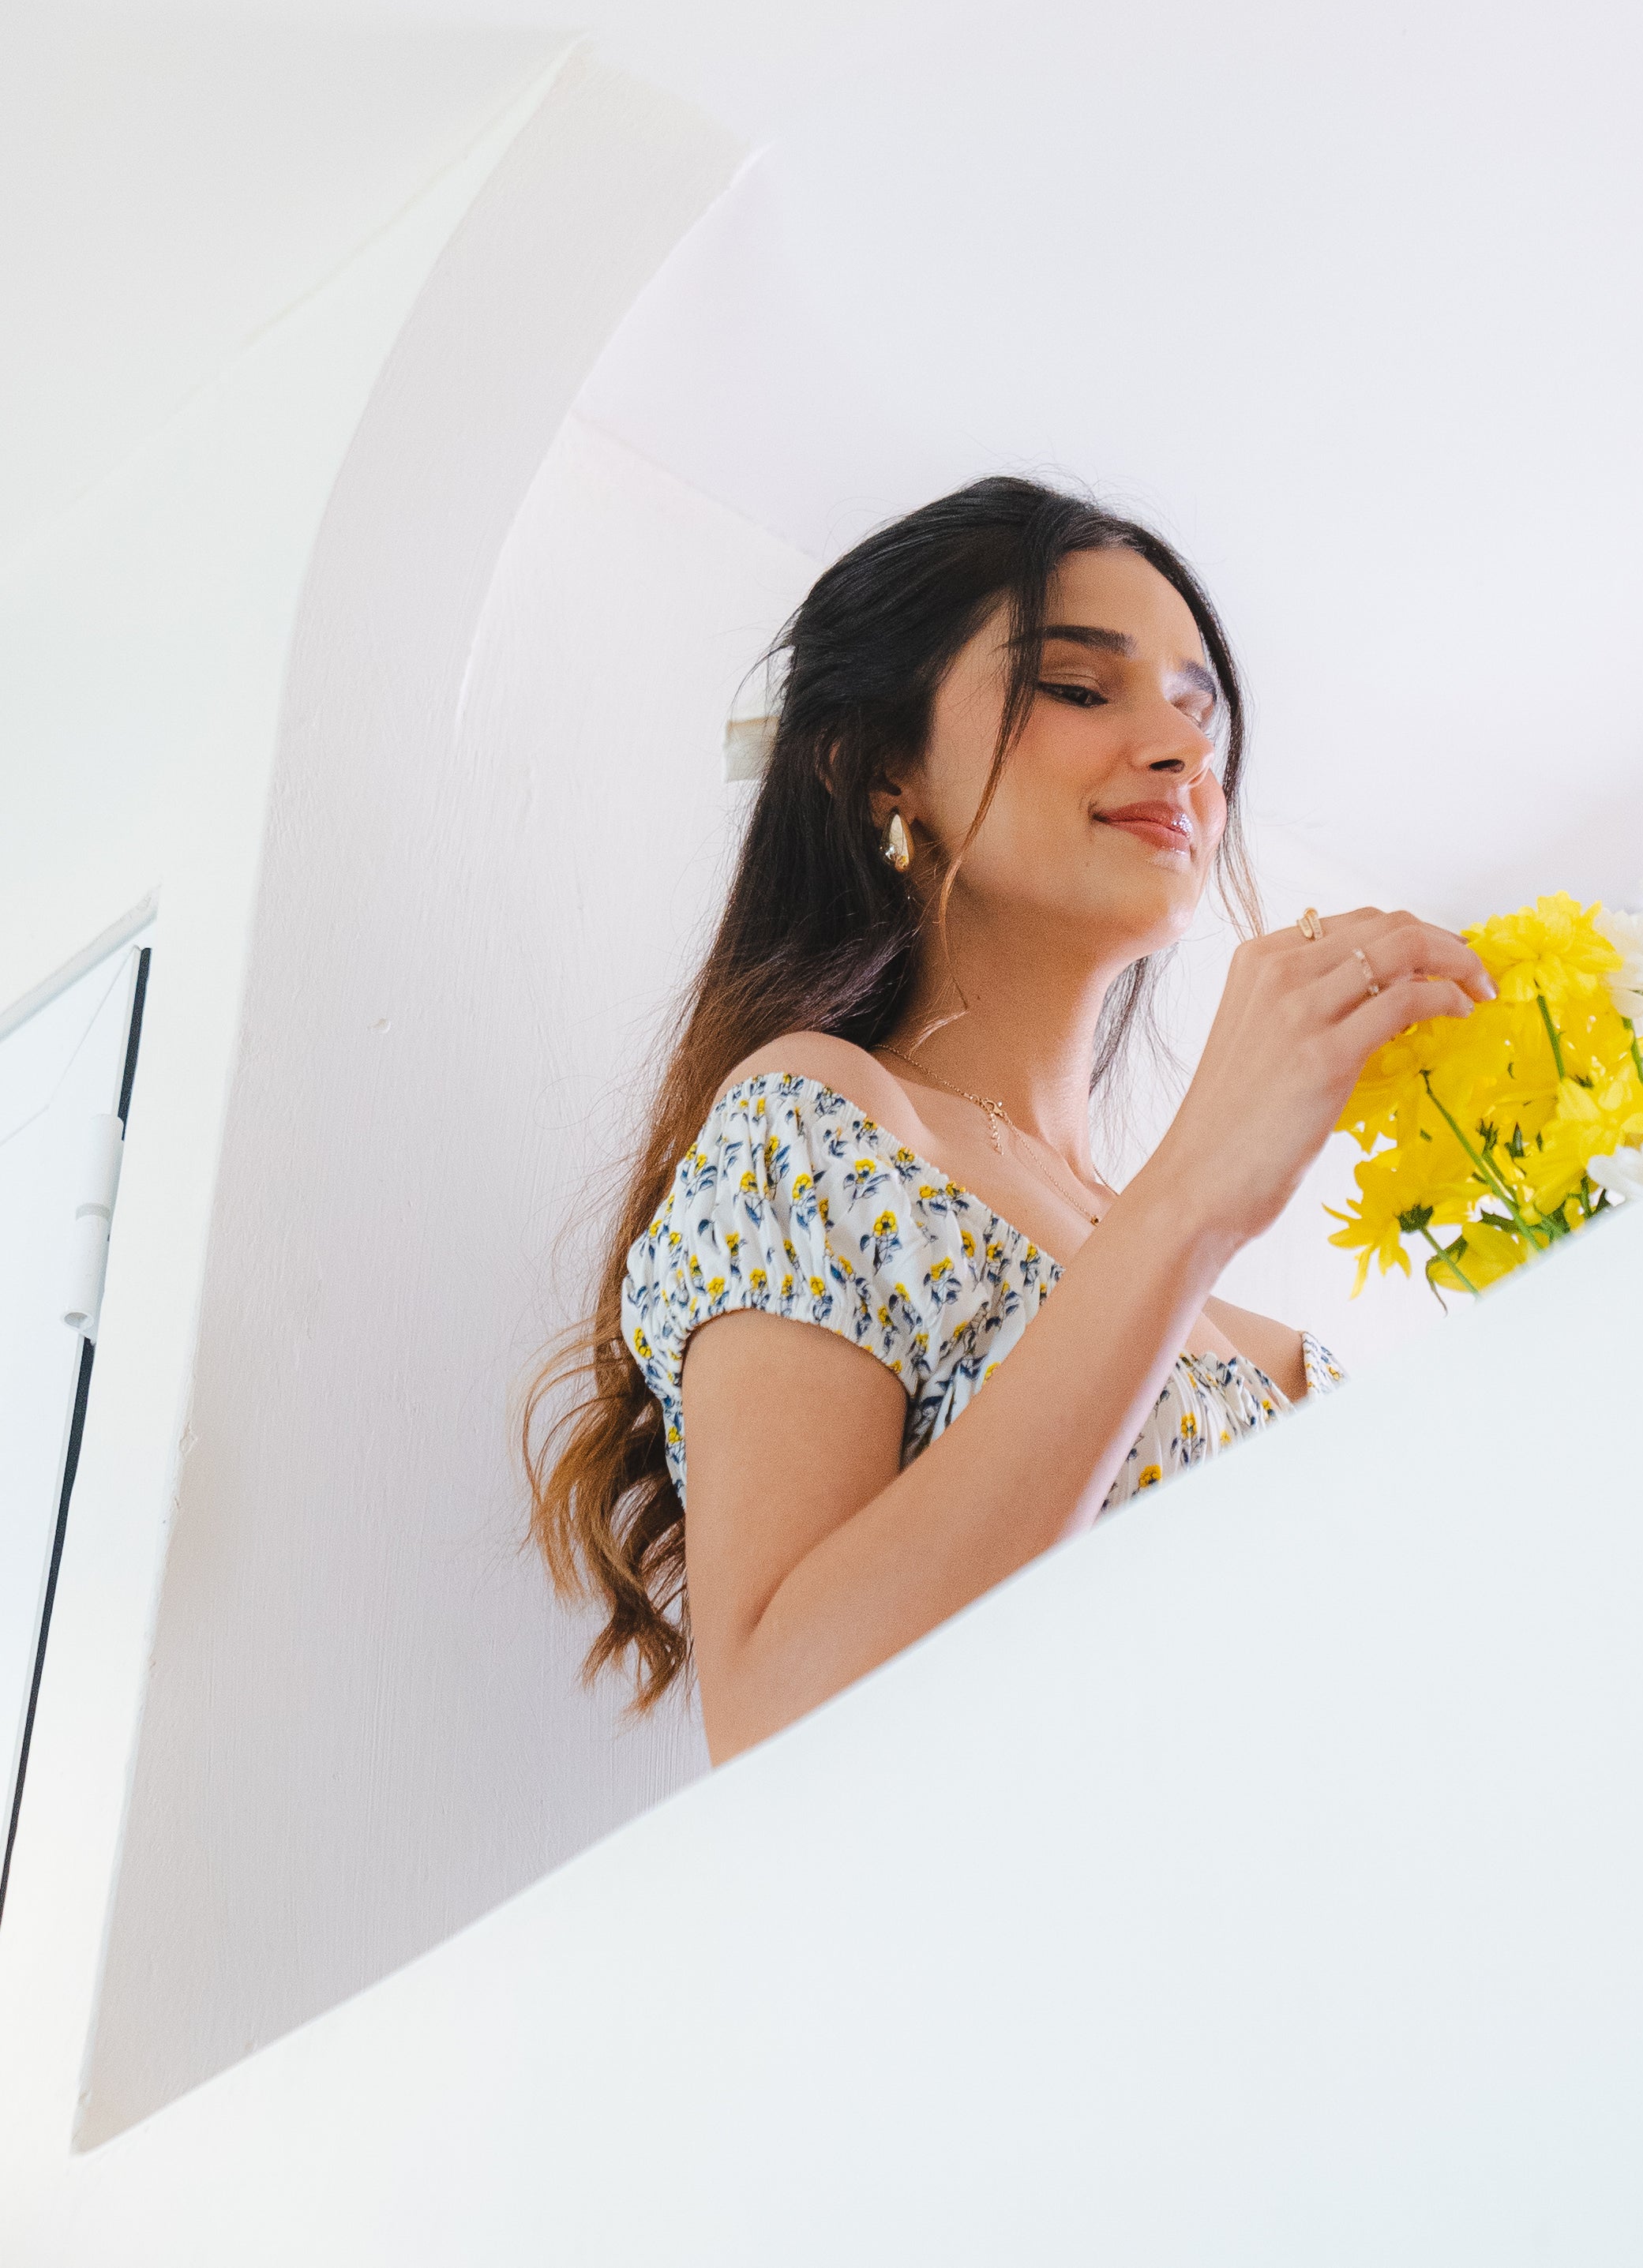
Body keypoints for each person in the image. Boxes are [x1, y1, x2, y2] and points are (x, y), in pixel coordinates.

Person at [527, 476, 1491, 1764]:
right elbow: (779, 1723)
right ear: (883, 768)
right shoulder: (822, 1125)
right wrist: (1194, 1199)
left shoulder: (1267, 1338)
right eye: (1081, 688)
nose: (1180, 749)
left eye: (1199, 709)